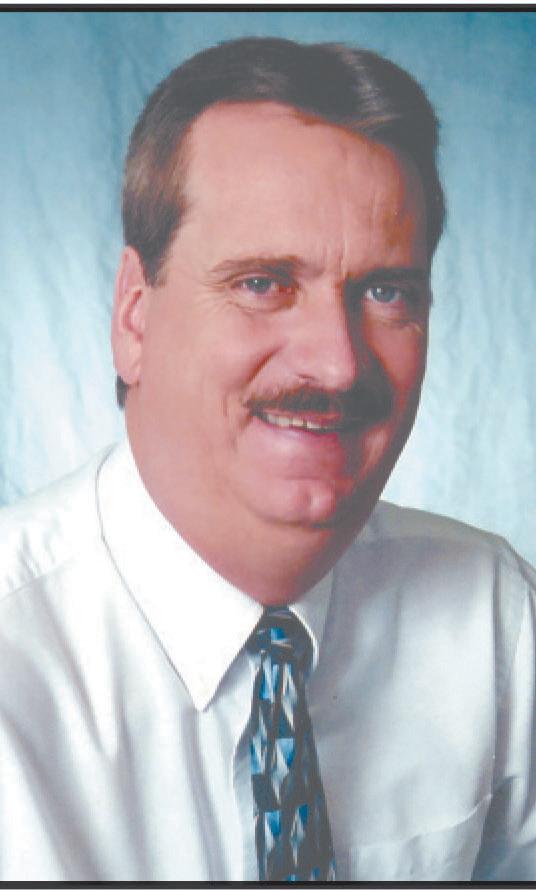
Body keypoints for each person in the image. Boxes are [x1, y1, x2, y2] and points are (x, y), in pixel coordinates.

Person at [1, 36, 535, 882]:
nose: (337, 363)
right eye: (262, 283)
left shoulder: (494, 615)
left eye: (386, 292)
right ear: (135, 316)